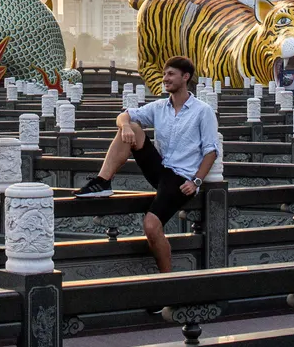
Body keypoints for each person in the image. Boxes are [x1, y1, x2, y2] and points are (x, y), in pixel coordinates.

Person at [74, 56, 218, 272]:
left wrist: (196, 181)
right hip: (160, 169)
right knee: (132, 127)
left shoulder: (202, 111)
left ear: (185, 77)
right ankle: (103, 182)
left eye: (171, 74)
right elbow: (123, 116)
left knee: (151, 225)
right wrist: (126, 127)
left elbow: (211, 151)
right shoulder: (160, 107)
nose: (165, 78)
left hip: (180, 179)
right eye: (164, 74)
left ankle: (167, 280)